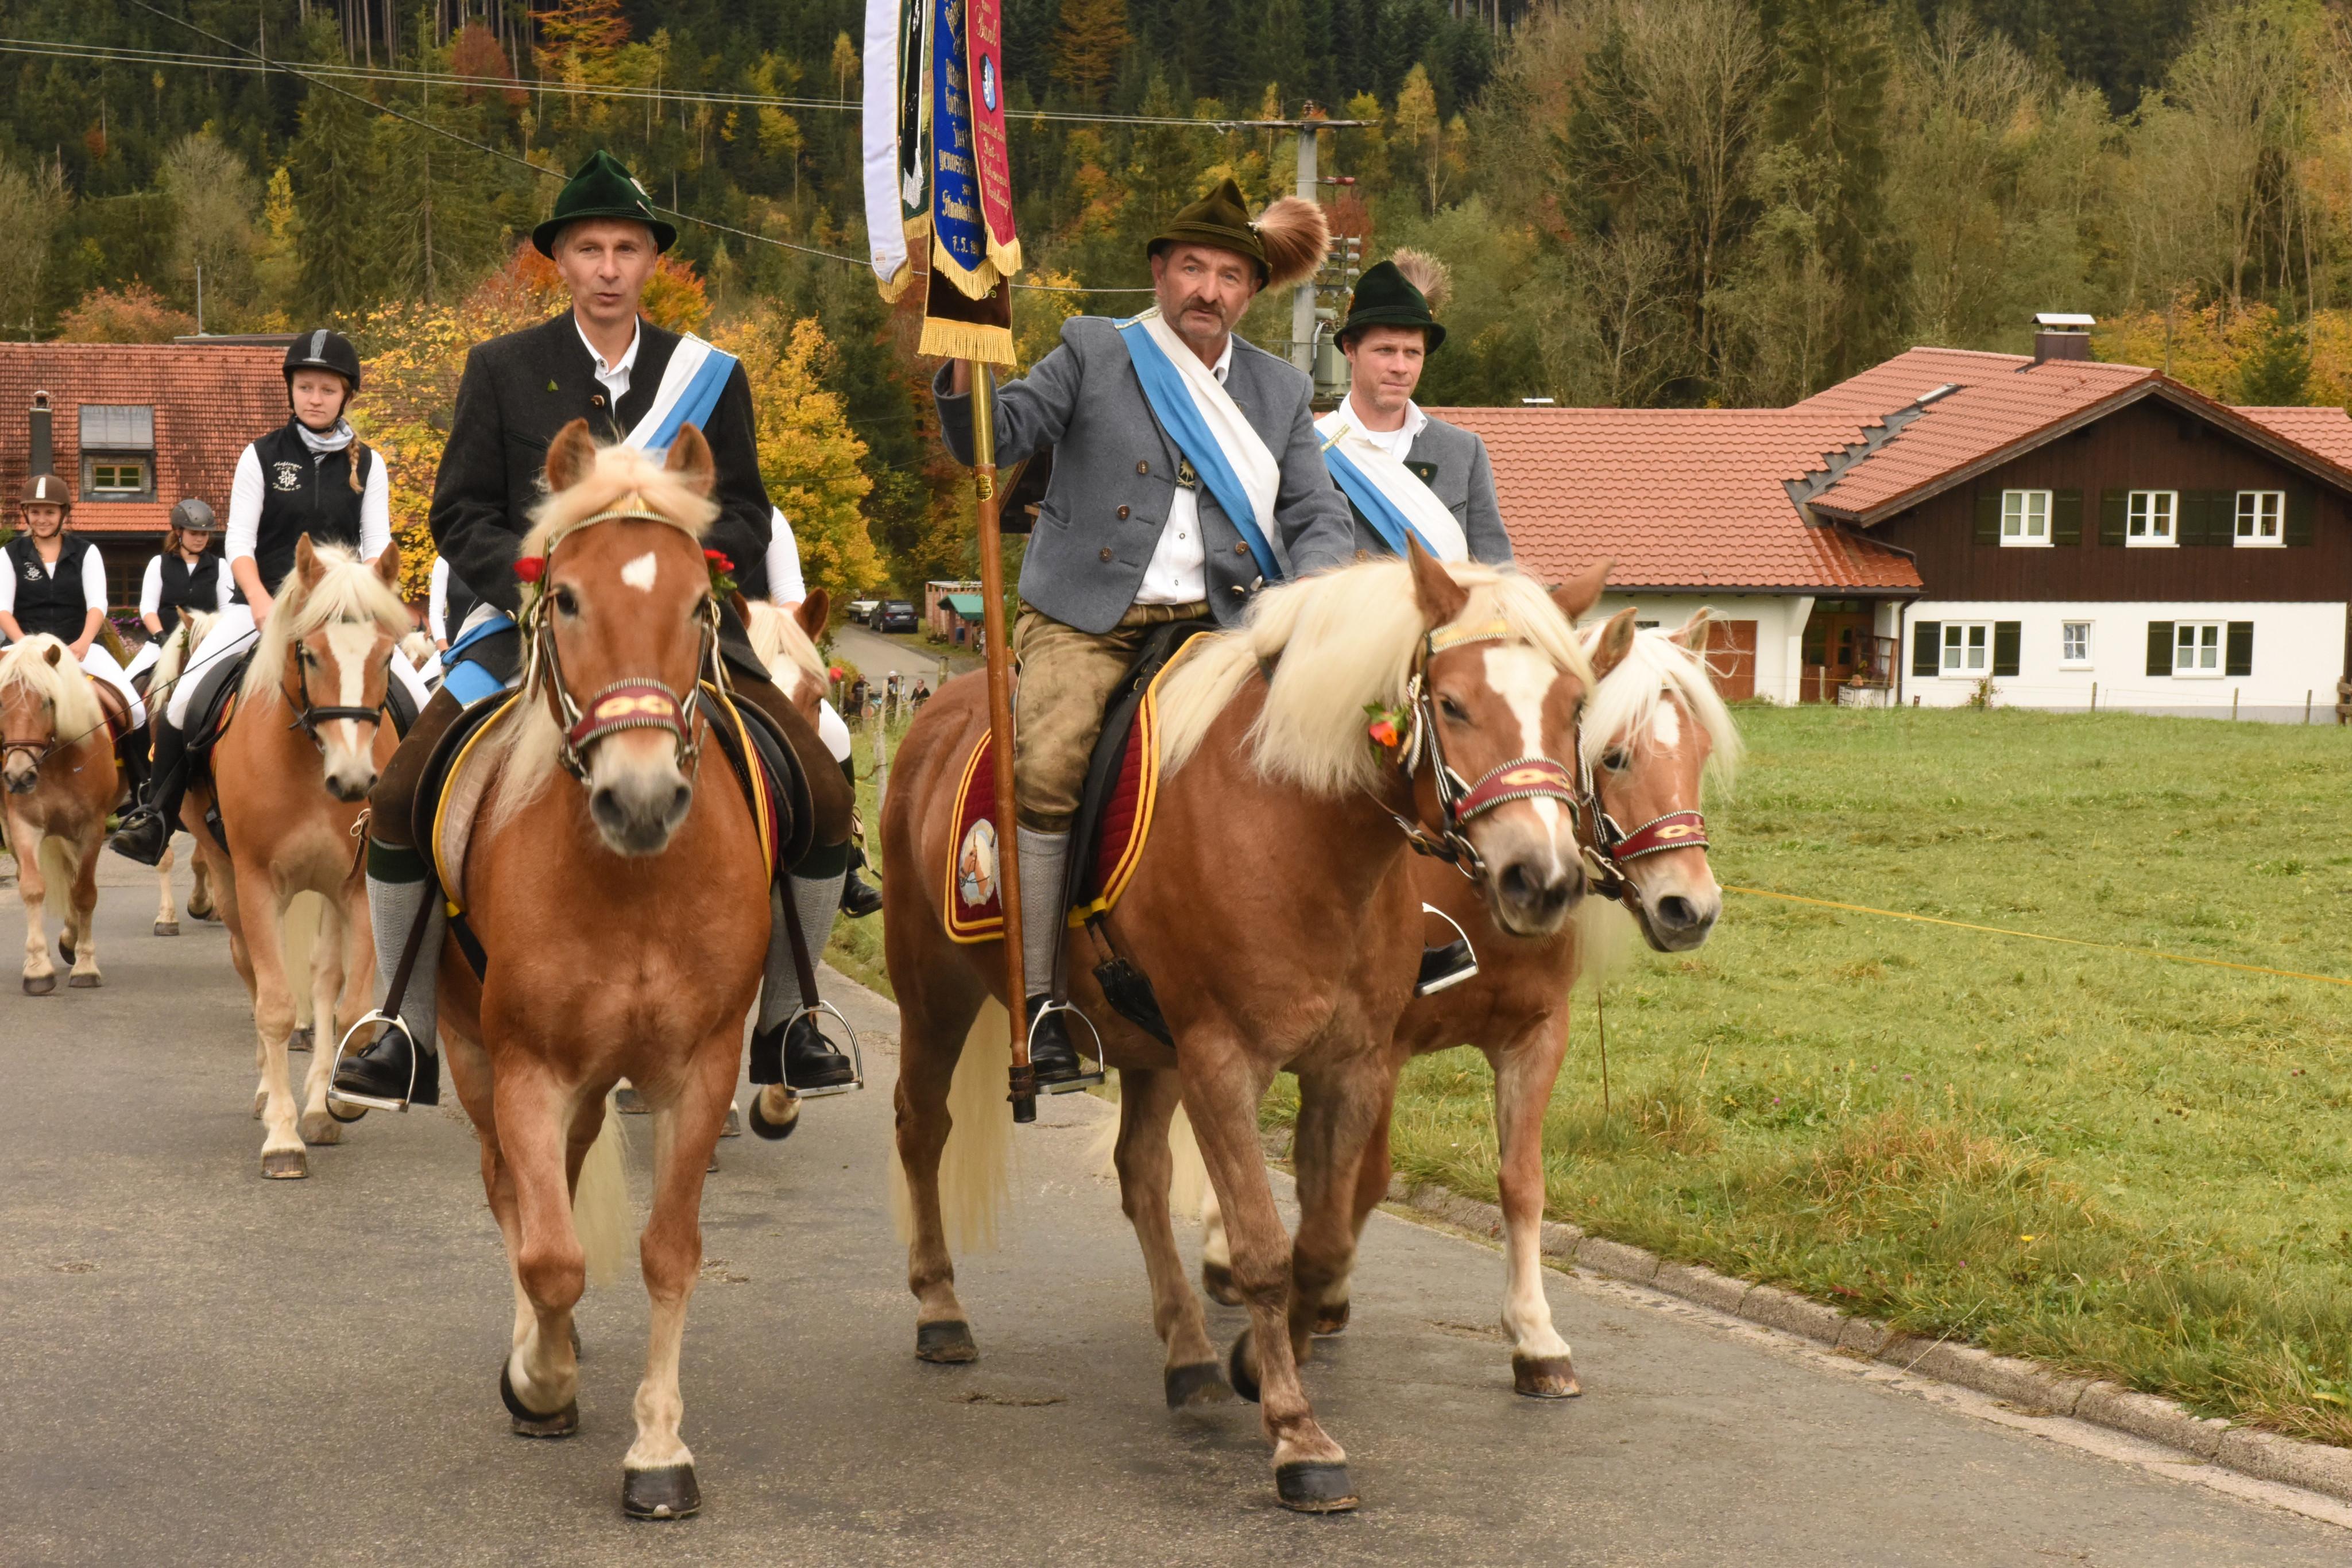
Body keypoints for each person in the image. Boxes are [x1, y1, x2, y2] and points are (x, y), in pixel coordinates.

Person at [330, 149, 858, 1110]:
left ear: (651, 262)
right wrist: (538, 587)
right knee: (406, 788)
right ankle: (399, 1020)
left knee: (820, 780)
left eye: (626, 248)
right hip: (531, 619)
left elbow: (745, 515)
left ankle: (790, 1020)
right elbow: (461, 516)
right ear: (561, 263)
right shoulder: (502, 370)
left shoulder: (712, 376)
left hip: (674, 631)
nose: (609, 267)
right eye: (589, 249)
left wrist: (683, 579)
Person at [933, 176, 1353, 1088]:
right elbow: (992, 439)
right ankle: (1042, 997)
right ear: (1160, 273)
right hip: (1089, 616)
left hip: (1226, 623)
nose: (1209, 289)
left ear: (1252, 291)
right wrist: (966, 364)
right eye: (1192, 268)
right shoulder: (1093, 349)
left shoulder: (1280, 389)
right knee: (1046, 760)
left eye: (1230, 276)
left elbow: (1316, 511)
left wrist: (1313, 593)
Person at [107, 331, 431, 866]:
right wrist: (258, 599)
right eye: (305, 387)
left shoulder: (369, 464)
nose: (314, 398)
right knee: (187, 697)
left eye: (327, 389)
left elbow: (377, 546)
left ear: (345, 395)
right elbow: (238, 542)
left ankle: (418, 819)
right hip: (259, 608)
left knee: (417, 702)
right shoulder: (260, 456)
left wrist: (367, 602)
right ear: (291, 390)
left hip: (340, 618)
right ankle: (157, 816)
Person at [1316, 251, 1511, 568]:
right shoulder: (1309, 450)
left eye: (1413, 353)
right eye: (1385, 350)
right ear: (1350, 349)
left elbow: (1496, 572)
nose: (1400, 367)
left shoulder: (1463, 451)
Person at [766, 505, 881, 918]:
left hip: (762, 647)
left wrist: (765, 628)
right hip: (700, 654)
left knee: (834, 731)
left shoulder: (768, 519)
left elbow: (791, 598)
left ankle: (845, 863)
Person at [0, 474, 146, 748]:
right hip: (21, 649)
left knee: (136, 710)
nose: (41, 519)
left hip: (77, 647)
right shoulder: (9, 554)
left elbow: (97, 605)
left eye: (49, 512)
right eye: (35, 512)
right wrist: (24, 647)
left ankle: (143, 781)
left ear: (63, 514)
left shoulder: (86, 553)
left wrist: (83, 643)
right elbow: (3, 610)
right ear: (26, 514)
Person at [125, 498, 234, 683]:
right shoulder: (158, 564)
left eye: (204, 534)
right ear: (178, 531)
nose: (200, 539)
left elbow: (227, 611)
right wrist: (161, 637)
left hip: (204, 647)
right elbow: (148, 608)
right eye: (194, 533)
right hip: (162, 643)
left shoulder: (220, 566)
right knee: (126, 687)